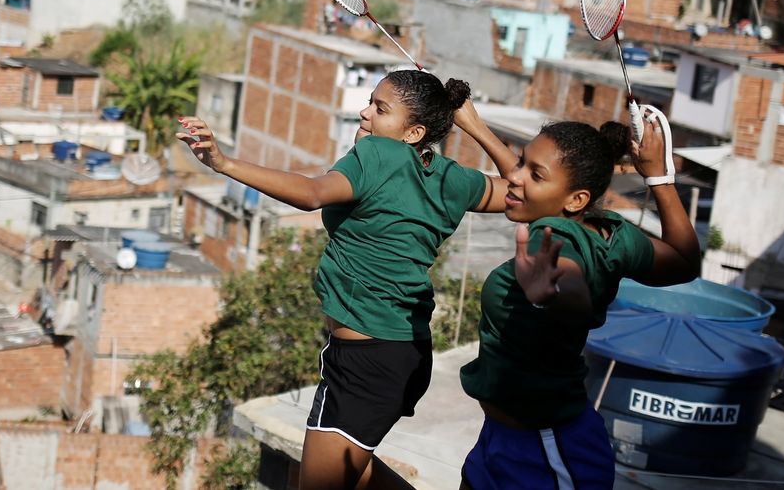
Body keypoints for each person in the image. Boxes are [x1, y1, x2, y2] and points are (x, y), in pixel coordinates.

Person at [178, 71, 508, 490]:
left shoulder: (378, 153)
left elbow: (313, 193)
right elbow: (526, 194)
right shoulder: (450, 177)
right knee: (352, 473)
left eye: (380, 108)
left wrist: (223, 163)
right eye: (371, 102)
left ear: (414, 132)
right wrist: (475, 126)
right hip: (402, 354)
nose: (364, 112)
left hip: (365, 363)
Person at [452, 101, 701, 490]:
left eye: (534, 173)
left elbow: (571, 286)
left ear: (576, 200)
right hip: (506, 436)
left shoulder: (552, 237)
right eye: (520, 162)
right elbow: (685, 261)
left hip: (546, 451)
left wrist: (551, 295)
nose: (514, 177)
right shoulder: (612, 232)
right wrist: (659, 179)